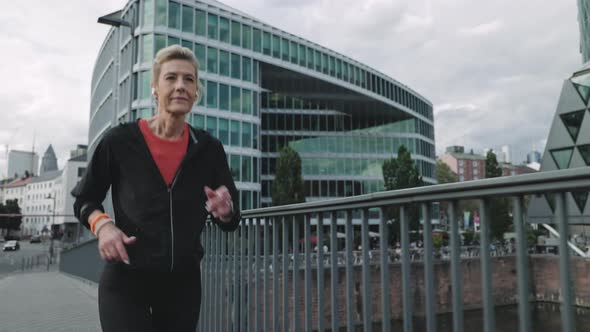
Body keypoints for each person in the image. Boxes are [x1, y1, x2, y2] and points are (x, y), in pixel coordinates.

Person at [71, 44, 240, 332]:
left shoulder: (209, 149)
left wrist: (226, 211)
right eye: (171, 78)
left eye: (189, 79)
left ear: (196, 91)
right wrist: (103, 227)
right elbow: (85, 199)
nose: (180, 86)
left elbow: (231, 220)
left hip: (182, 284)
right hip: (126, 279)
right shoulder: (120, 142)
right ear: (154, 88)